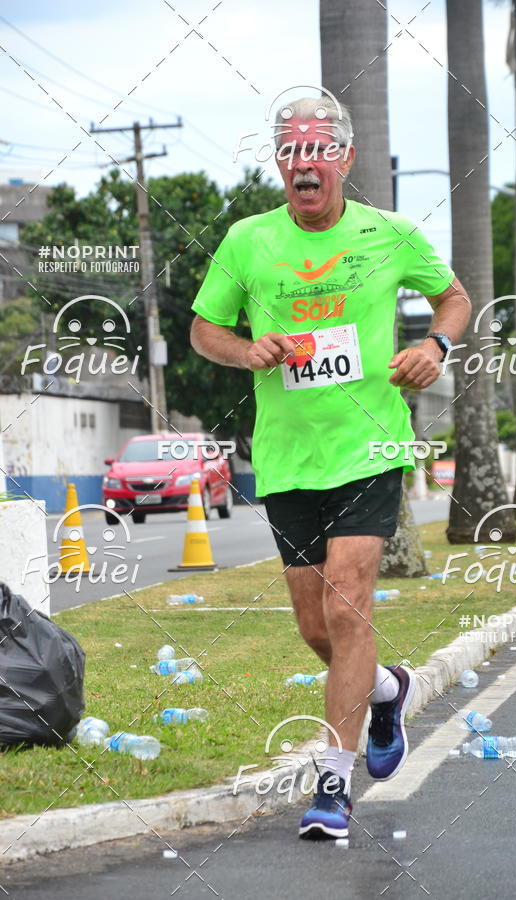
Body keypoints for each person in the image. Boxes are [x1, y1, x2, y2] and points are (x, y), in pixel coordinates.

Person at [190, 96, 471, 840]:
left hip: (370, 446)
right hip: (286, 459)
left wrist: (434, 348)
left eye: (318, 151)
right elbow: (203, 329)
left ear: (344, 160)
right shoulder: (248, 241)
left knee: (349, 607)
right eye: (290, 152)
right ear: (279, 165)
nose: (303, 164)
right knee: (318, 628)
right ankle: (387, 690)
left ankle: (333, 786)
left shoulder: (389, 234)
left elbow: (453, 298)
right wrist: (247, 349)